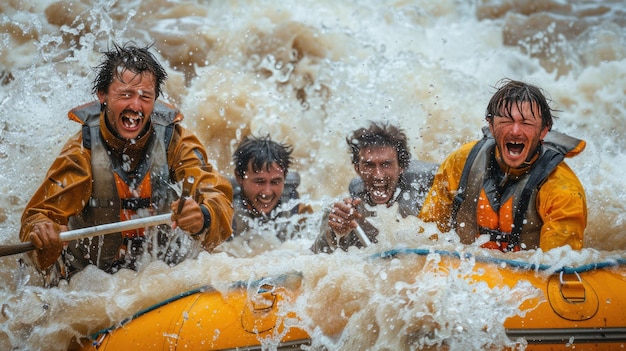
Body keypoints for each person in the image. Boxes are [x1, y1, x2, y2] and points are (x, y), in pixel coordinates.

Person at [19, 42, 233, 282]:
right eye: (125, 95)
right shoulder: (80, 153)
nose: (135, 106)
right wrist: (43, 233)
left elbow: (216, 195)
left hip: (160, 275)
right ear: (103, 96)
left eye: (145, 97)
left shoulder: (176, 141)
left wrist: (204, 217)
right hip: (92, 282)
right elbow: (39, 216)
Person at [419, 79, 587, 252]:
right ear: (491, 126)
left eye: (526, 123)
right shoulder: (460, 163)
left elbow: (558, 265)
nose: (515, 131)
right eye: (506, 121)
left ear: (544, 130)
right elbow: (425, 236)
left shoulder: (563, 190)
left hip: (527, 275)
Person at [311, 122, 437, 253]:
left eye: (386, 164)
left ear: (401, 167)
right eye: (369, 165)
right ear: (357, 168)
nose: (378, 175)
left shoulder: (426, 194)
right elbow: (315, 258)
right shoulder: (349, 210)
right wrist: (335, 233)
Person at [229, 134, 312, 242]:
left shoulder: (298, 210)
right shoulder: (224, 209)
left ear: (285, 177)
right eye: (259, 181)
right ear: (239, 177)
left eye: (275, 182)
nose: (267, 192)